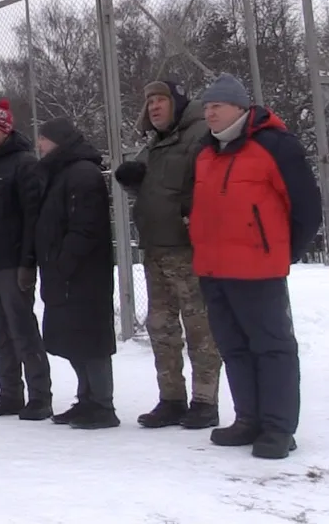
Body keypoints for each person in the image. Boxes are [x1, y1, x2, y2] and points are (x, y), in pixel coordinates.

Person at [190, 74, 321, 459]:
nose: (209, 112)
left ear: (240, 108)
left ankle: (279, 428)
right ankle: (248, 418)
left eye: (216, 105)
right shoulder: (206, 152)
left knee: (272, 347)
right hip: (214, 268)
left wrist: (281, 252)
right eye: (206, 107)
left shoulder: (274, 146)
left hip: (258, 268)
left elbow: (305, 207)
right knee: (234, 347)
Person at [114, 80, 222, 430]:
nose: (154, 107)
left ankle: (205, 400)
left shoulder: (199, 135)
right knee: (161, 327)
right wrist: (131, 179)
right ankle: (171, 398)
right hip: (156, 247)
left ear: (177, 102)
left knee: (198, 325)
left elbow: (207, 183)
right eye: (149, 102)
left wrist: (191, 215)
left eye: (160, 100)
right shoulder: (155, 144)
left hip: (188, 248)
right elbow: (149, 185)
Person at [34, 118, 119, 429]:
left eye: (43, 139)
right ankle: (86, 399)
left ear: (58, 140)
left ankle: (102, 403)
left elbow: (85, 226)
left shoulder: (82, 173)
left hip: (83, 273)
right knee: (72, 337)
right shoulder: (59, 173)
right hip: (64, 270)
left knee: (90, 337)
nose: (39, 145)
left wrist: (64, 262)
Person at [0, 98, 52, 420]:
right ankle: (10, 392)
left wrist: (27, 261)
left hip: (12, 263)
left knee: (21, 328)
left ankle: (39, 395)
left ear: (5, 129)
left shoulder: (24, 164)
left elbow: (33, 216)